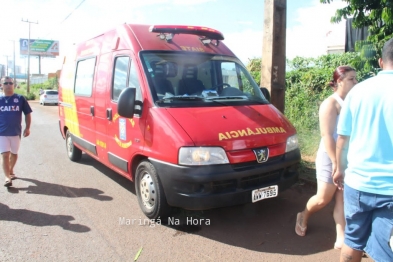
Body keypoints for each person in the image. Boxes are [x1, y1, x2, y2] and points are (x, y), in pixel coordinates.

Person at [334, 38, 393, 262]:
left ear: (380, 61)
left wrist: (340, 169)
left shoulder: (358, 92)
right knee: (386, 246)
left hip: (358, 183)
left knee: (353, 239)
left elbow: (343, 138)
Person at [295, 66, 358, 250]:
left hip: (348, 157)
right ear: (339, 81)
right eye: (351, 79)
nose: (356, 82)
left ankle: (342, 237)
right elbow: (327, 136)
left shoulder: (354, 101)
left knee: (342, 198)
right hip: (329, 156)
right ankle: (303, 215)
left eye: (355, 79)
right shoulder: (330, 104)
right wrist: (337, 164)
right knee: (323, 199)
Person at [0, 76, 32, 187]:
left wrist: (27, 128)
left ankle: (11, 170)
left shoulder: (20, 98)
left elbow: (27, 113)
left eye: (10, 83)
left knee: (14, 154)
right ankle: (7, 177)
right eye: (6, 83)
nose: (8, 85)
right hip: (2, 133)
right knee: (5, 155)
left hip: (15, 133)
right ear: (1, 85)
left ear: (14, 85)